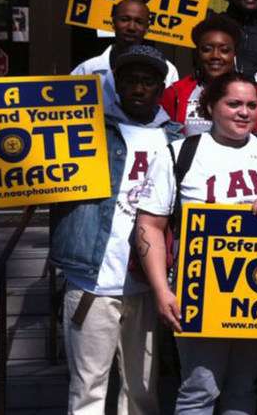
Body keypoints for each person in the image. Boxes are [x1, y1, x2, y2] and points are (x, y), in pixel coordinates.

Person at [134, 72, 257, 415]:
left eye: (251, 105)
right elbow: (149, 225)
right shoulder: (180, 153)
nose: (244, 112)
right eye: (233, 103)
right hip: (199, 290)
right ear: (210, 107)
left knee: (243, 388)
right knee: (199, 389)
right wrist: (162, 291)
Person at [51, 44, 182, 415]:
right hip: (92, 279)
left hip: (148, 286)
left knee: (142, 392)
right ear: (116, 84)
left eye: (148, 81)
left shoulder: (177, 140)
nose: (138, 88)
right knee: (87, 390)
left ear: (161, 88)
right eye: (130, 80)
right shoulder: (84, 131)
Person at [160, 14, 257, 135]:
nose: (215, 56)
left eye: (224, 50)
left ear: (234, 54)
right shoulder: (174, 93)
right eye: (207, 49)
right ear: (196, 54)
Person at [72, 0, 179, 87]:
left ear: (146, 29)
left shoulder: (168, 71)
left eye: (139, 22)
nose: (131, 27)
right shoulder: (87, 70)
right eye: (124, 19)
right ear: (113, 23)